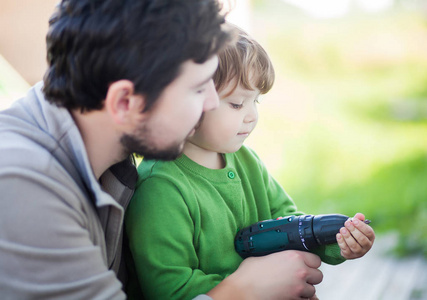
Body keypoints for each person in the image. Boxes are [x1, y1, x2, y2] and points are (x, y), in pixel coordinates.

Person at [0, 1, 327, 299]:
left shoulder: (103, 135)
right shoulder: (24, 188)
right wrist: (240, 292)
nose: (211, 103)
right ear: (125, 102)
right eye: (198, 88)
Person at [125, 24, 376, 300]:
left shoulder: (246, 160)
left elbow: (292, 228)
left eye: (256, 101)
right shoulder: (160, 188)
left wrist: (337, 242)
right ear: (192, 97)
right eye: (236, 104)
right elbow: (170, 289)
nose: (252, 116)